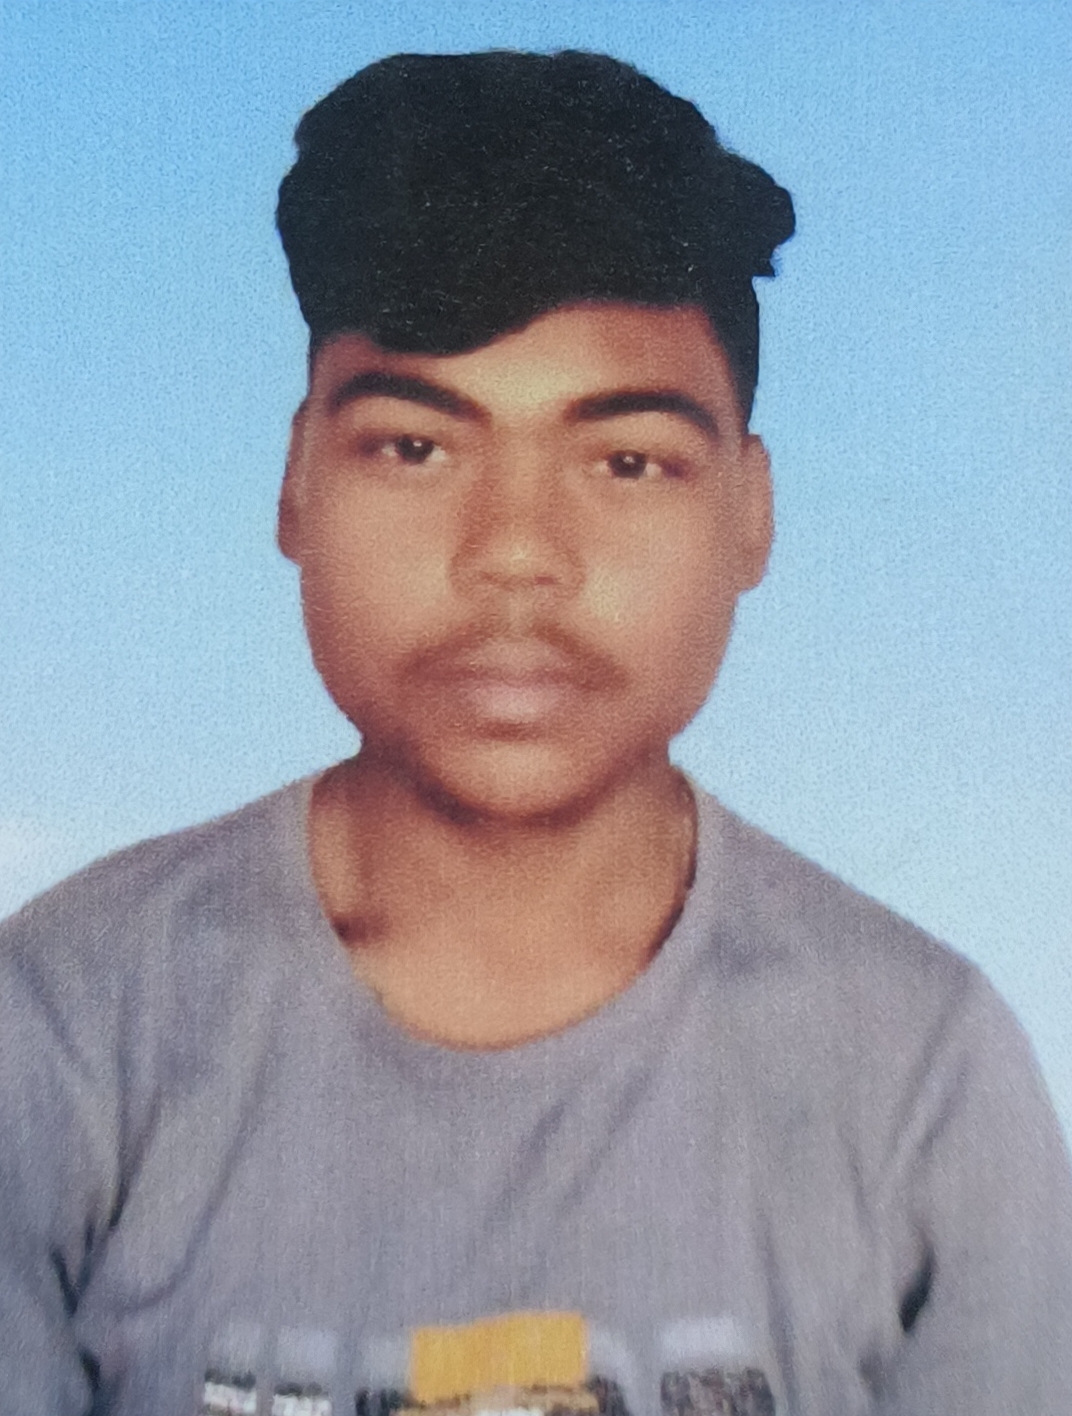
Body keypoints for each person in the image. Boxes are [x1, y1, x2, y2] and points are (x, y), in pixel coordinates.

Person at [1, 49, 1069, 1416]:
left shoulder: (921, 1077)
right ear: (297, 483)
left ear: (749, 515)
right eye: (415, 447)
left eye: (626, 461)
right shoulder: (64, 1034)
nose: (514, 553)